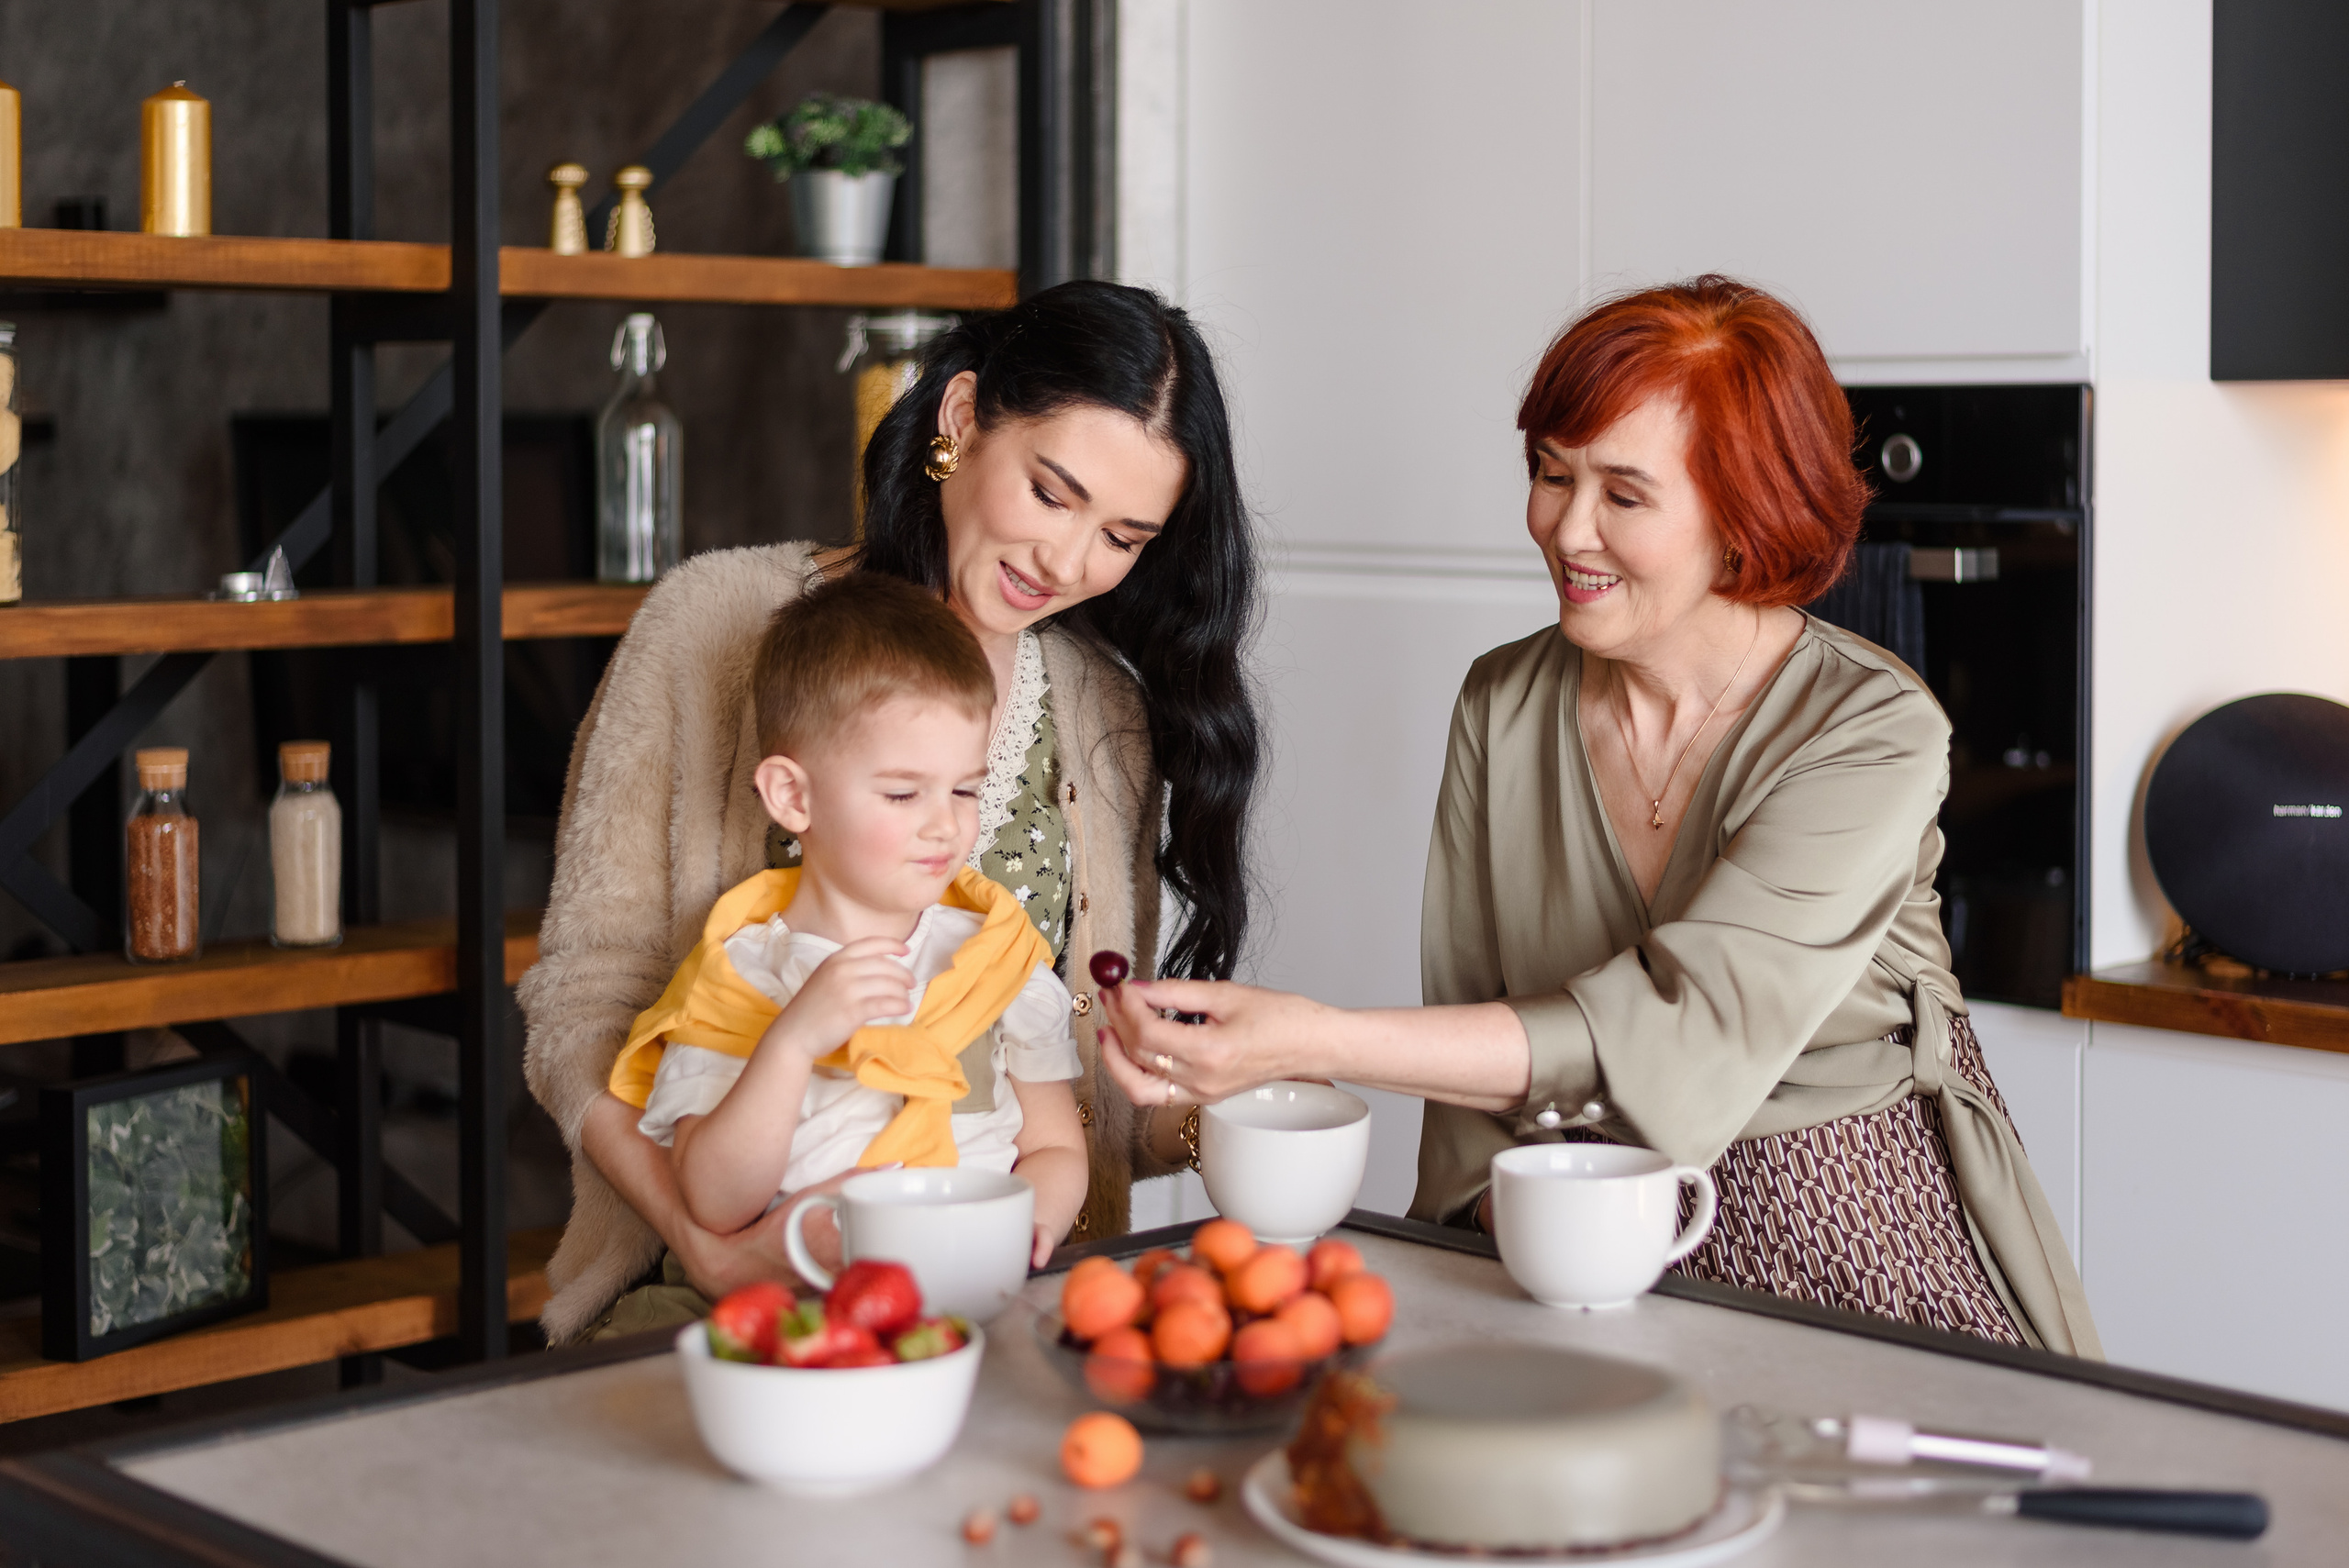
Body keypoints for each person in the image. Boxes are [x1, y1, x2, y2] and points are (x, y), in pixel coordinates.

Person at [1097, 277, 2100, 1357]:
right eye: (1550, 472)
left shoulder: (1870, 729)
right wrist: (1493, 1219)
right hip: (1582, 1214)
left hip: (1846, 1214)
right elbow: (1474, 1004)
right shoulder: (1504, 700)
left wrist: (1319, 1037)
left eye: (1623, 494)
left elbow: (1679, 1021)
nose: (1565, 528)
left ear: (1743, 513)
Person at [521, 281, 1260, 1344]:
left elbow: (1074, 1104)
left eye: (1123, 536)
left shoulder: (1105, 715)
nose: (1067, 563)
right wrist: (704, 1239)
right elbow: (582, 1007)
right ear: (962, 417)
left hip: (1003, 1304)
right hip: (716, 1290)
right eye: (1051, 493)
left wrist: (1220, 1111)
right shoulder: (710, 626)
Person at [605, 577, 1088, 1331]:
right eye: (903, 794)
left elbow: (1055, 1145)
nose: (945, 826)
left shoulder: (998, 959)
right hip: (789, 1310)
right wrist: (792, 1041)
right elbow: (715, 1201)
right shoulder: (741, 975)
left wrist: (1036, 1226)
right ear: (793, 798)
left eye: (965, 790)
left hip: (970, 1296)